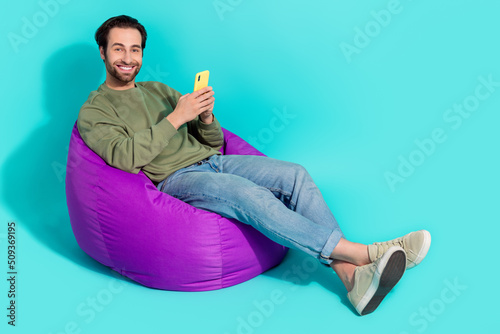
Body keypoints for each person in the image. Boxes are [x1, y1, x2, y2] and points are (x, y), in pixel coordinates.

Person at [77, 15, 431, 316]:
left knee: (295, 174)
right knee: (248, 196)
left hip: (214, 161)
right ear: (103, 52)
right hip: (176, 180)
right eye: (119, 48)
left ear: (142, 53)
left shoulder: (158, 90)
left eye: (135, 49)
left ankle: (352, 280)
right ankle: (366, 252)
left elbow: (213, 142)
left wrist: (205, 116)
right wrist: (175, 118)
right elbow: (124, 157)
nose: (128, 57)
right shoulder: (95, 111)